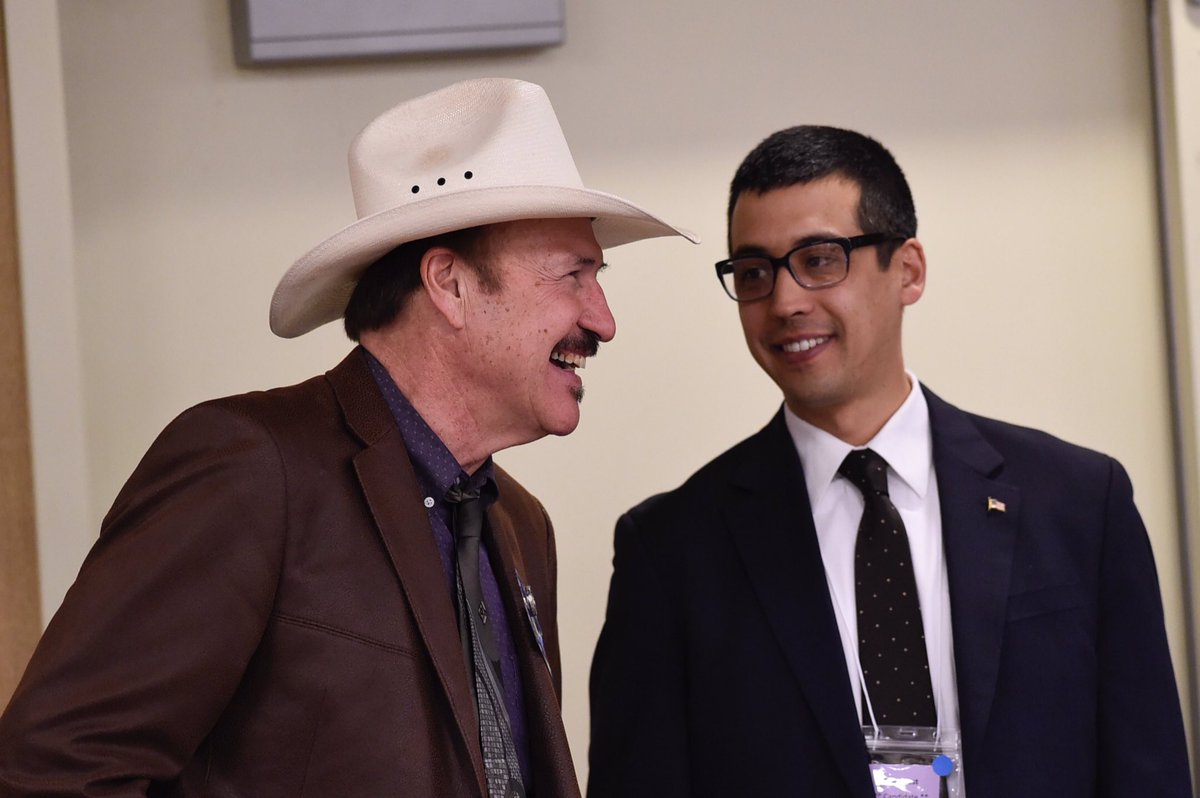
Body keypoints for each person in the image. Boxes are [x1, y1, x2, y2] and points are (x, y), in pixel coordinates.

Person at [0, 78, 694, 797]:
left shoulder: (519, 524)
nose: (603, 319)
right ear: (449, 284)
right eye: (574, 276)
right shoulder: (250, 468)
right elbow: (54, 772)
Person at [587, 125, 1191, 798]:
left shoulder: (1078, 501)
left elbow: (1149, 769)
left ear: (908, 270)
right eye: (755, 273)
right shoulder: (672, 549)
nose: (785, 302)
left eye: (819, 260)